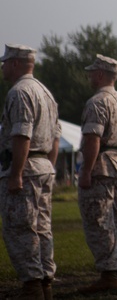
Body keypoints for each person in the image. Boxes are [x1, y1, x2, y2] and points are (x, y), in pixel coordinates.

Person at [77, 54, 117, 294]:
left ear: (101, 75)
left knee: (100, 220)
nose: (89, 76)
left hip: (101, 166)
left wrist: (85, 170)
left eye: (92, 72)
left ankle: (109, 274)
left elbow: (93, 139)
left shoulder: (97, 102)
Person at [0, 44, 61, 300]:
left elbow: (22, 134)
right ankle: (45, 283)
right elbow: (56, 136)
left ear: (15, 63)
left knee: (20, 228)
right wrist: (50, 167)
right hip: (43, 165)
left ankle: (32, 285)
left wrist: (16, 173)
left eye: (5, 62)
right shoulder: (45, 92)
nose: (2, 67)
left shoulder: (20, 92)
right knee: (42, 228)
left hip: (26, 167)